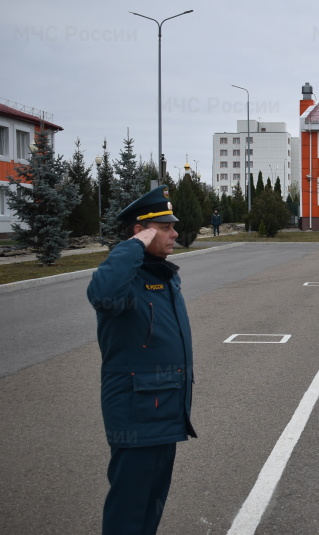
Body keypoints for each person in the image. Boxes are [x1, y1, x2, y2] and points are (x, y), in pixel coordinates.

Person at [87, 185, 197, 535]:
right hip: (137, 414)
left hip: (164, 410)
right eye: (165, 227)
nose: (175, 233)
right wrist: (132, 246)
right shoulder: (126, 279)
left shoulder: (162, 276)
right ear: (142, 231)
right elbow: (102, 294)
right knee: (129, 508)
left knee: (150, 503)